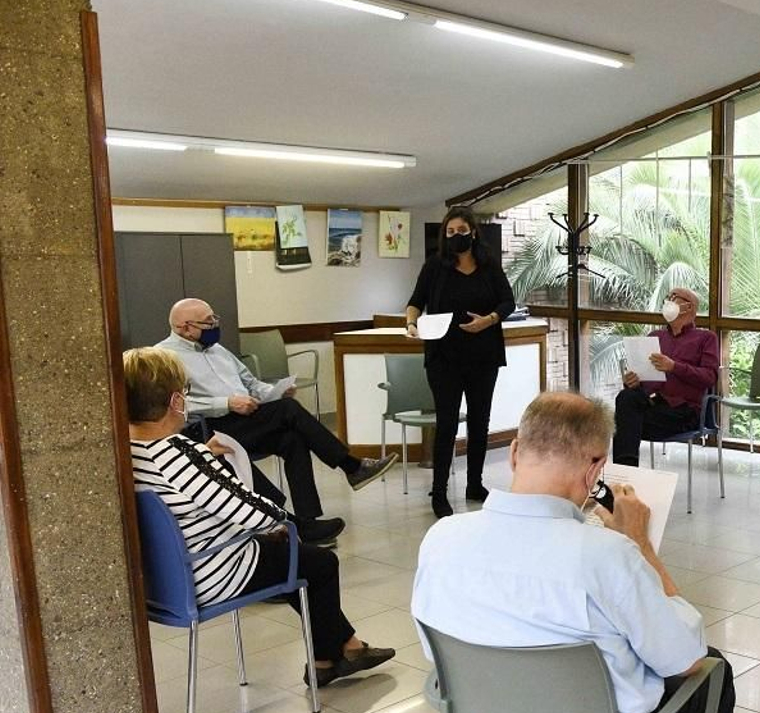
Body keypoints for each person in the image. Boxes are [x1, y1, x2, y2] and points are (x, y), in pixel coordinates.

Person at [412, 392, 751, 713]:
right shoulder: (606, 555)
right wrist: (642, 548)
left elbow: (436, 657)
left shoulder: (441, 540)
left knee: (549, 692)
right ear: (596, 470)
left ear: (517, 453)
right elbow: (685, 657)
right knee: (714, 670)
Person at [124, 348, 395, 688]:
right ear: (177, 400)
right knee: (318, 561)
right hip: (212, 574)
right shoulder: (179, 452)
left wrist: (204, 457)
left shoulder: (126, 450)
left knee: (295, 559)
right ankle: (329, 657)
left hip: (162, 583)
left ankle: (342, 651)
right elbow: (251, 510)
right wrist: (283, 522)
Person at [158, 299, 395, 544]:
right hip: (211, 428)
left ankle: (307, 522)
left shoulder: (218, 349)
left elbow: (250, 383)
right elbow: (178, 405)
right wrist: (226, 402)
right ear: (185, 327)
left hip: (246, 420)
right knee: (288, 410)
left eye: (214, 318)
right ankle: (351, 466)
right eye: (208, 322)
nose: (215, 325)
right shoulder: (166, 357)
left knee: (292, 439)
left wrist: (273, 391)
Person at [405, 206, 517, 519]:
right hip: (444, 358)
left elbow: (508, 301)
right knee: (447, 424)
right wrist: (411, 324)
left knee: (480, 422)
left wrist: (490, 320)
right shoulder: (434, 267)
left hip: (484, 355)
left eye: (461, 231)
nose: (456, 236)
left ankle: (474, 484)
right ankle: (439, 492)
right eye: (450, 232)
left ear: (473, 233)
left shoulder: (489, 265)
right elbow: (415, 303)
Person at [611, 286, 720, 467]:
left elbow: (709, 377)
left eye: (675, 297)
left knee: (624, 422)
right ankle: (627, 475)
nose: (669, 301)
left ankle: (625, 475)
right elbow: (644, 378)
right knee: (626, 397)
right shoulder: (655, 336)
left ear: (689, 307)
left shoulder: (706, 338)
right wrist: (633, 381)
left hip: (683, 411)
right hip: (651, 403)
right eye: (668, 297)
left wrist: (674, 367)